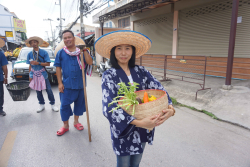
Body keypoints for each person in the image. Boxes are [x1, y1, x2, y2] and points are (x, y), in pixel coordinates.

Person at [95, 30, 175, 167]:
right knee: (124, 164)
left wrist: (171, 109)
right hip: (124, 129)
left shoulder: (142, 71)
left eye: (127, 48)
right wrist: (140, 122)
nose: (124, 53)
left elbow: (160, 90)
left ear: (133, 51)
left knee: (136, 163)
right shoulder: (109, 75)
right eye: (119, 48)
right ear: (113, 51)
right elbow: (109, 107)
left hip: (144, 127)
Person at [54, 30, 93, 136]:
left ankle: (76, 122)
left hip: (80, 84)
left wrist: (84, 50)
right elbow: (58, 68)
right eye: (65, 38)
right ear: (63, 40)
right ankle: (65, 126)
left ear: (74, 38)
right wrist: (59, 83)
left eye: (69, 37)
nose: (67, 40)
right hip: (67, 85)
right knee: (64, 106)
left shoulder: (82, 51)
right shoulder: (61, 53)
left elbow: (90, 62)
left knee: (79, 105)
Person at [26, 36, 59, 113]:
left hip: (43, 74)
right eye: (31, 43)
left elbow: (48, 64)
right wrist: (30, 75)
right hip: (34, 74)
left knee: (49, 90)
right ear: (30, 44)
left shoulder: (44, 52)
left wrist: (38, 63)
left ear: (37, 43)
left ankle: (53, 104)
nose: (33, 44)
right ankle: (41, 105)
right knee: (38, 90)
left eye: (35, 42)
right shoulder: (29, 54)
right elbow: (30, 65)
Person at [0, 49, 8, 116]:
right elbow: (4, 66)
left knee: (0, 94)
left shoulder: (1, 54)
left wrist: (5, 77)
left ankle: (0, 109)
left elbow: (4, 66)